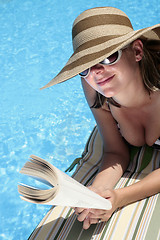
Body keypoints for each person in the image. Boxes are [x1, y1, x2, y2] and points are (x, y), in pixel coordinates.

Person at [41, 7, 160, 230]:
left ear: (136, 51)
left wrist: (120, 197)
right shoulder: (95, 89)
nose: (95, 72)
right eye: (84, 66)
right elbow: (115, 151)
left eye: (107, 57)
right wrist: (96, 194)